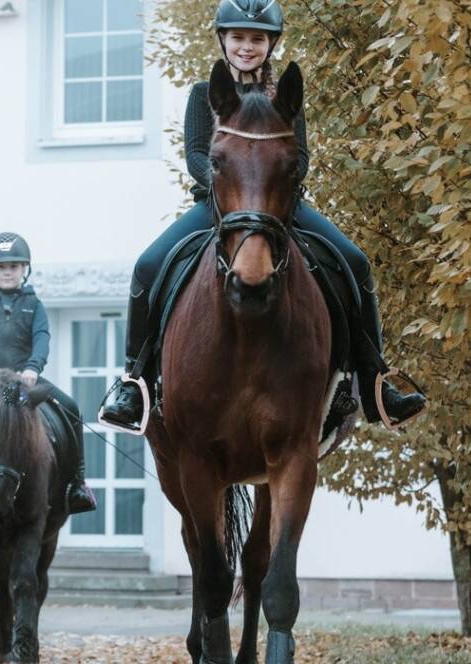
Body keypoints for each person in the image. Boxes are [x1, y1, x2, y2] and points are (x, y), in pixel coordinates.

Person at [100, 0, 426, 431]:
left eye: (256, 39)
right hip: (219, 207)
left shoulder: (283, 97)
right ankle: (135, 382)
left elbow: (301, 157)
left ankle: (374, 382)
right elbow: (196, 154)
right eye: (238, 37)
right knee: (147, 265)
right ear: (223, 39)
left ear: (271, 43)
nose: (246, 46)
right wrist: (233, 184)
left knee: (356, 261)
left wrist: (266, 187)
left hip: (279, 208)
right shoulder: (204, 93)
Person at [0, 233, 96, 514]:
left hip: (22, 386)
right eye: (1, 267)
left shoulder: (34, 305)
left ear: (24, 268)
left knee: (71, 407)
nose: (7, 272)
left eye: (13, 266)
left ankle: (77, 483)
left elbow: (42, 338)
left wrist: (32, 368)